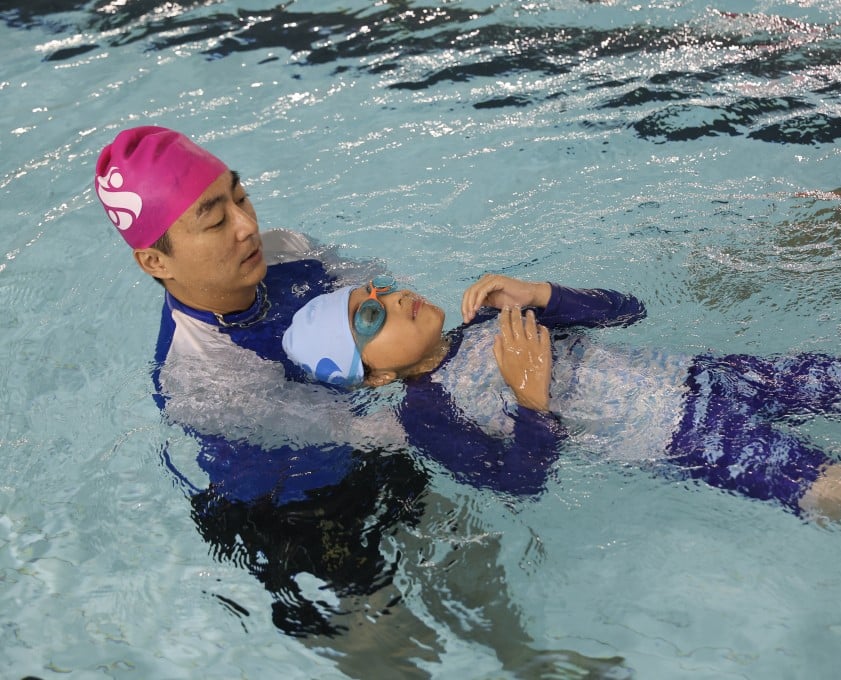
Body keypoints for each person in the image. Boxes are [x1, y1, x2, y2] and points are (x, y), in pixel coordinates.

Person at [95, 127, 628, 678]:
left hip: (365, 445)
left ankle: (525, 661)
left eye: (240, 195)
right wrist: (488, 401)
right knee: (395, 647)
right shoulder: (201, 376)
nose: (246, 225)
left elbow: (379, 300)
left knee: (467, 557)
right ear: (156, 262)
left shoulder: (285, 251)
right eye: (214, 218)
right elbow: (364, 427)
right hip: (287, 510)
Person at [283, 273, 841, 598]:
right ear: (371, 379)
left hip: (718, 375)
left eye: (374, 293)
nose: (389, 299)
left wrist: (543, 295)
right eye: (369, 320)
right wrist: (533, 405)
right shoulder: (426, 416)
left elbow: (626, 313)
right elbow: (516, 483)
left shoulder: (490, 321)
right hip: (694, 441)